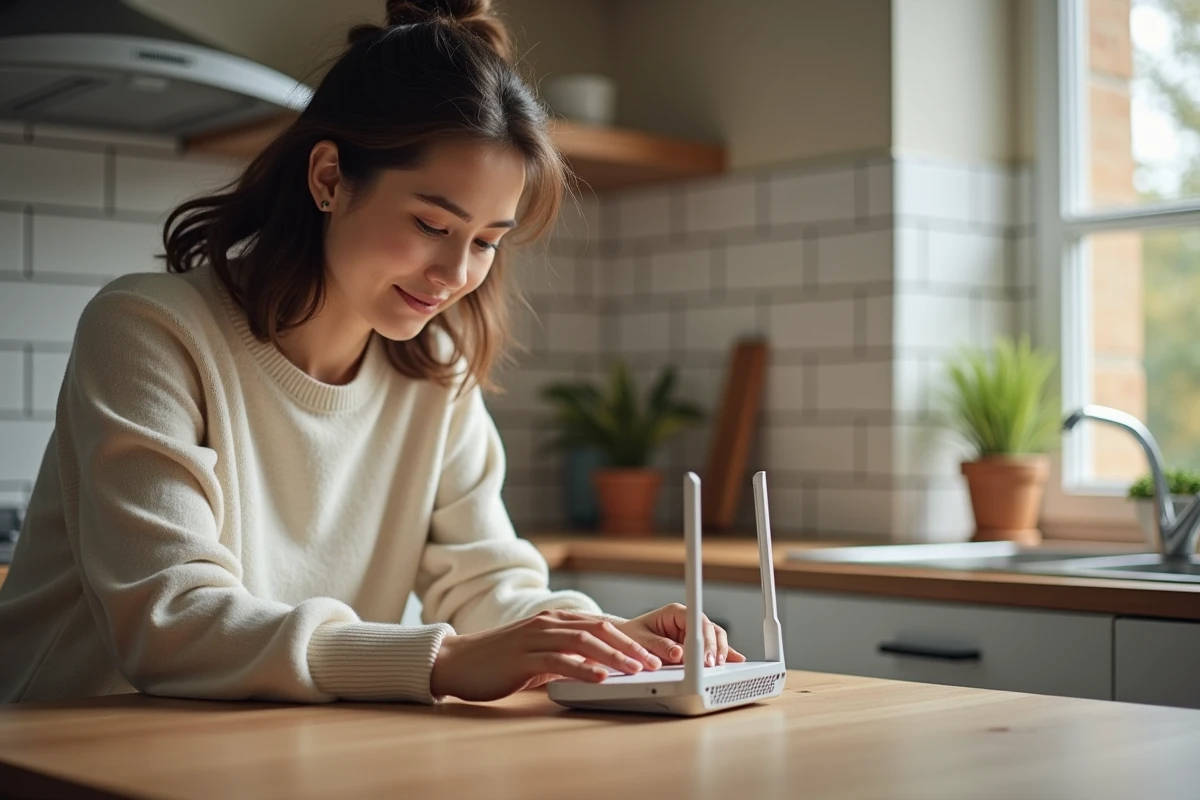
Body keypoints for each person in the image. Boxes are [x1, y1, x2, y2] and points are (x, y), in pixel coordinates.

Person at [0, 0, 743, 706]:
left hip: (269, 746)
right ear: (328, 178)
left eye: (487, 241)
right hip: (73, 747)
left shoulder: (435, 370)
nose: (456, 275)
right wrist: (442, 660)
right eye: (430, 223)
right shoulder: (148, 330)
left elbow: (486, 578)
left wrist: (600, 641)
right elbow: (169, 622)